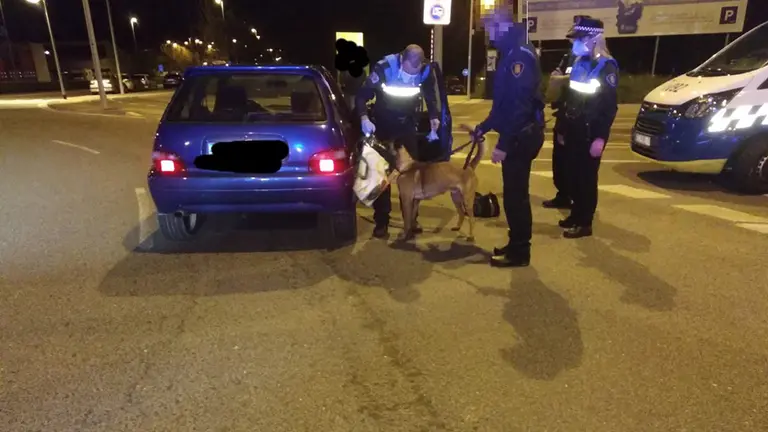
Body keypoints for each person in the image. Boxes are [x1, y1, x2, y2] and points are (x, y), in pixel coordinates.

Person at [467, 8, 545, 268]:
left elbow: (518, 108)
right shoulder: (512, 53)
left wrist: (503, 145)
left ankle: (520, 252)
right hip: (518, 134)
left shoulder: (519, 56)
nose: (488, 35)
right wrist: (483, 127)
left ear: (500, 26)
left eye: (489, 28)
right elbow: (502, 106)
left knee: (516, 197)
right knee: (513, 196)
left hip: (521, 137)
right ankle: (515, 244)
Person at [355, 45, 440, 239]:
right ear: (402, 61)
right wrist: (363, 118)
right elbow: (362, 96)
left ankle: (411, 220)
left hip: (407, 125)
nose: (412, 77)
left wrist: (434, 116)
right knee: (380, 174)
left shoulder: (426, 70)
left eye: (415, 73)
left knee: (413, 175)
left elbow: (430, 95)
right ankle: (381, 221)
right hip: (384, 126)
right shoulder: (385, 68)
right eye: (409, 71)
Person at [557, 17, 619, 238]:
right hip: (574, 129)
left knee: (586, 179)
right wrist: (563, 128)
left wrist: (600, 138)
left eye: (579, 39)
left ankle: (585, 222)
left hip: (590, 132)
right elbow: (570, 99)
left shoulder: (606, 66)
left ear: (594, 38)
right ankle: (575, 214)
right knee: (572, 175)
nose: (575, 43)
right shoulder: (580, 63)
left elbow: (609, 107)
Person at [543, 50, 575, 210]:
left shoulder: (594, 60)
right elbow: (554, 77)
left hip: (578, 120)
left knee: (573, 165)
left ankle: (578, 207)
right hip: (563, 115)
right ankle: (562, 195)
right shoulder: (568, 57)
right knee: (559, 161)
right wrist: (562, 79)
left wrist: (562, 79)